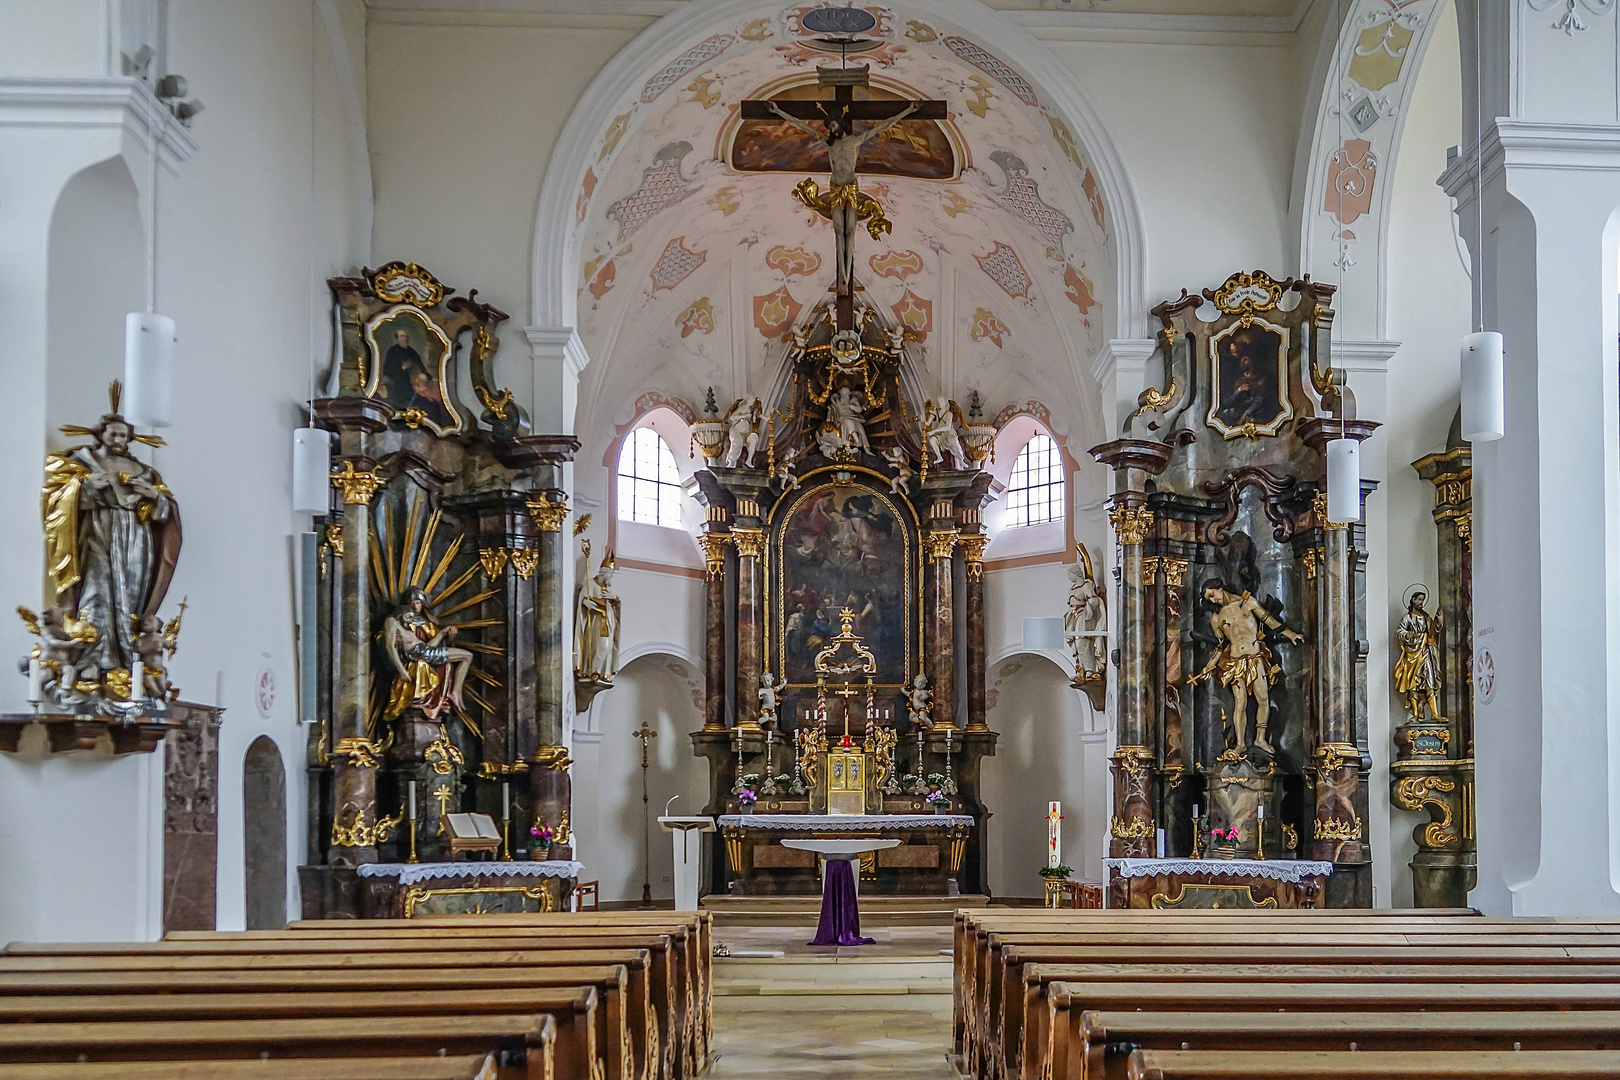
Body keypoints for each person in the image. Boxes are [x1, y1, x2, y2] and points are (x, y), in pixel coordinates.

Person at [44, 388, 181, 683]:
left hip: (136, 539)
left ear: (129, 438)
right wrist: (84, 487)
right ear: (100, 434)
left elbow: (166, 513)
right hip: (97, 531)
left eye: (123, 435)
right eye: (112, 434)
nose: (117, 440)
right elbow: (56, 500)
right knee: (96, 591)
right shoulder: (82, 461)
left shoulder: (142, 470)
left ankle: (123, 660)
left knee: (128, 598)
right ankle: (91, 660)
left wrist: (154, 499)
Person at [768, 99, 920, 295]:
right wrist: (779, 111)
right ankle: (843, 275)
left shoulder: (855, 140)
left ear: (841, 123)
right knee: (838, 231)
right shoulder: (828, 142)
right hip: (835, 187)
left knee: (850, 231)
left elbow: (885, 124)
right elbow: (801, 126)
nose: (831, 129)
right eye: (830, 127)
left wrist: (908, 110)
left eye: (833, 125)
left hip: (850, 187)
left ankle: (847, 271)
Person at [1191, 579, 1302, 756]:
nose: (1213, 600)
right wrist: (1209, 666)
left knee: (1263, 698)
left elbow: (1270, 621)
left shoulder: (1247, 601)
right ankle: (1240, 744)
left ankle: (1260, 738)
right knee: (1240, 703)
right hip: (1235, 662)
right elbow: (1220, 646)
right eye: (1209, 599)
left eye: (1212, 595)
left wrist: (1290, 634)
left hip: (1255, 657)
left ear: (1219, 587)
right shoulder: (1217, 617)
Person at [382, 586, 473, 720]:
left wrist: (445, 634)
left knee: (455, 662)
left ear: (423, 605)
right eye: (411, 603)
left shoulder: (423, 625)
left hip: (427, 651)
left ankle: (453, 692)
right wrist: (401, 669)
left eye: (418, 603)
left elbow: (428, 646)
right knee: (463, 657)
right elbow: (388, 644)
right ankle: (452, 692)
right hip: (421, 656)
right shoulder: (395, 623)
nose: (414, 607)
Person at [1394, 586, 1445, 721]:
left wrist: (1438, 622)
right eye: (1419, 600)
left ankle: (1434, 713)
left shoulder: (1426, 617)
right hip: (1413, 653)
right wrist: (1412, 636)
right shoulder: (1408, 618)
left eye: (1423, 600)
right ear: (1413, 600)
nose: (1422, 602)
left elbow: (1432, 632)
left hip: (1426, 651)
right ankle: (1415, 715)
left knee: (1430, 681)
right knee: (1414, 683)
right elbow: (1400, 632)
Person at [575, 554, 621, 684]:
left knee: (607, 647)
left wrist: (615, 599)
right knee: (598, 646)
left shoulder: (608, 589)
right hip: (595, 622)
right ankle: (592, 671)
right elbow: (583, 598)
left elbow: (616, 606)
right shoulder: (590, 584)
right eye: (610, 573)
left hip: (608, 623)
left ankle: (604, 672)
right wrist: (585, 602)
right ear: (604, 573)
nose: (611, 576)